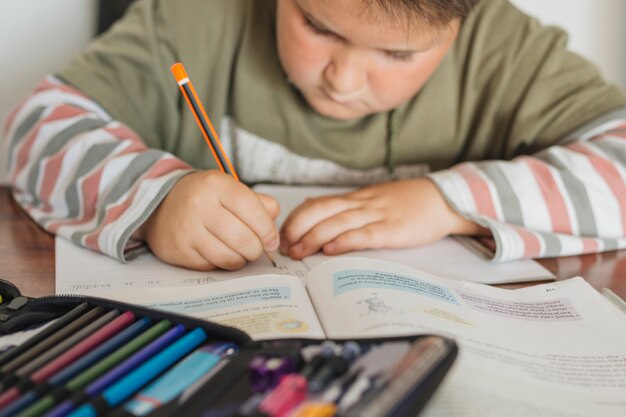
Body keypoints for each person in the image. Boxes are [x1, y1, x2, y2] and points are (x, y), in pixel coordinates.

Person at [4, 0, 626, 271]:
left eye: (397, 54)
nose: (344, 79)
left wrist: (448, 203)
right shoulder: (191, 18)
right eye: (317, 25)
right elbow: (34, 127)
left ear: (461, 25)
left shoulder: (505, 48)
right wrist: (155, 200)